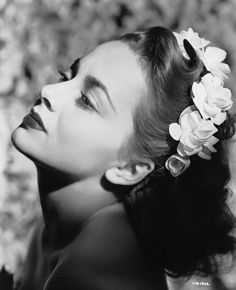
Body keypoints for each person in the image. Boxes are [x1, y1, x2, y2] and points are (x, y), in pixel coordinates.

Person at [11, 26, 236, 290]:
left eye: (87, 100)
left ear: (131, 168)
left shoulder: (90, 277)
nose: (49, 91)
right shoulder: (57, 223)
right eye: (67, 76)